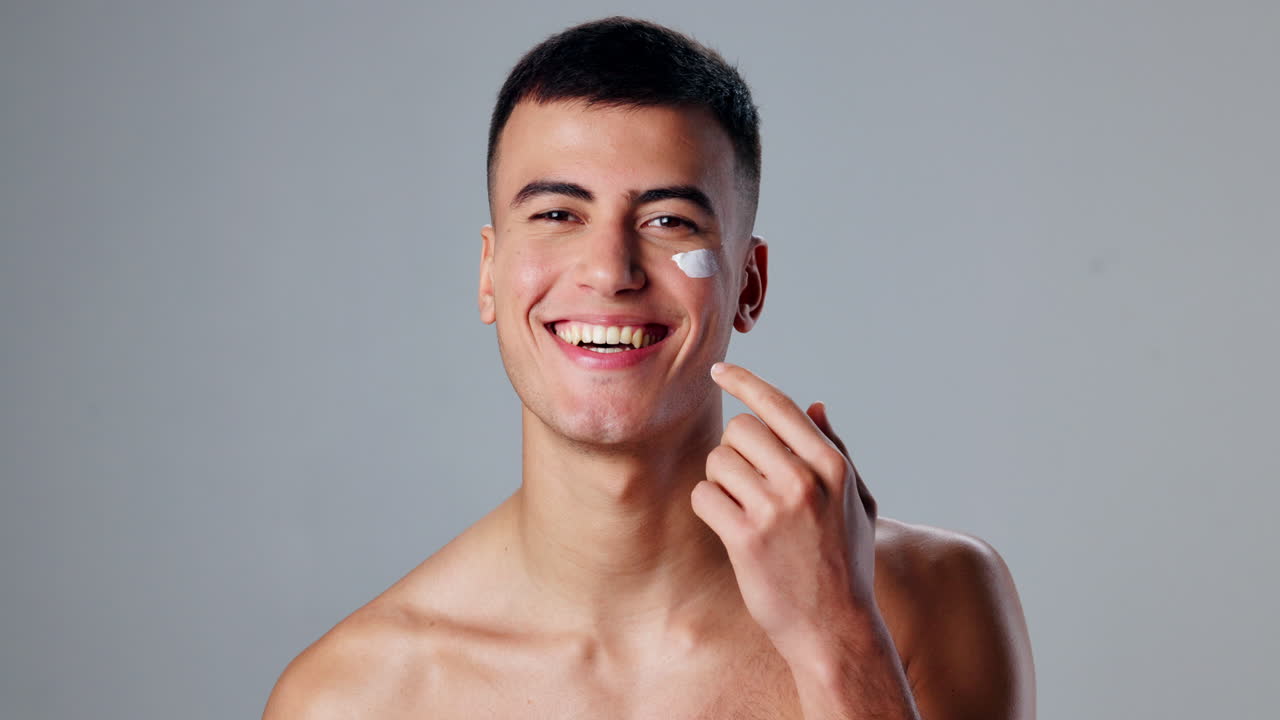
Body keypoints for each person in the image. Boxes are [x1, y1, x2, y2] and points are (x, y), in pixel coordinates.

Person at [263, 16, 1034, 720]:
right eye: (559, 214)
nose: (609, 270)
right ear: (489, 276)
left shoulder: (934, 598)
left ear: (749, 284)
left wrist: (835, 636)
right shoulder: (352, 698)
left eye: (669, 221)